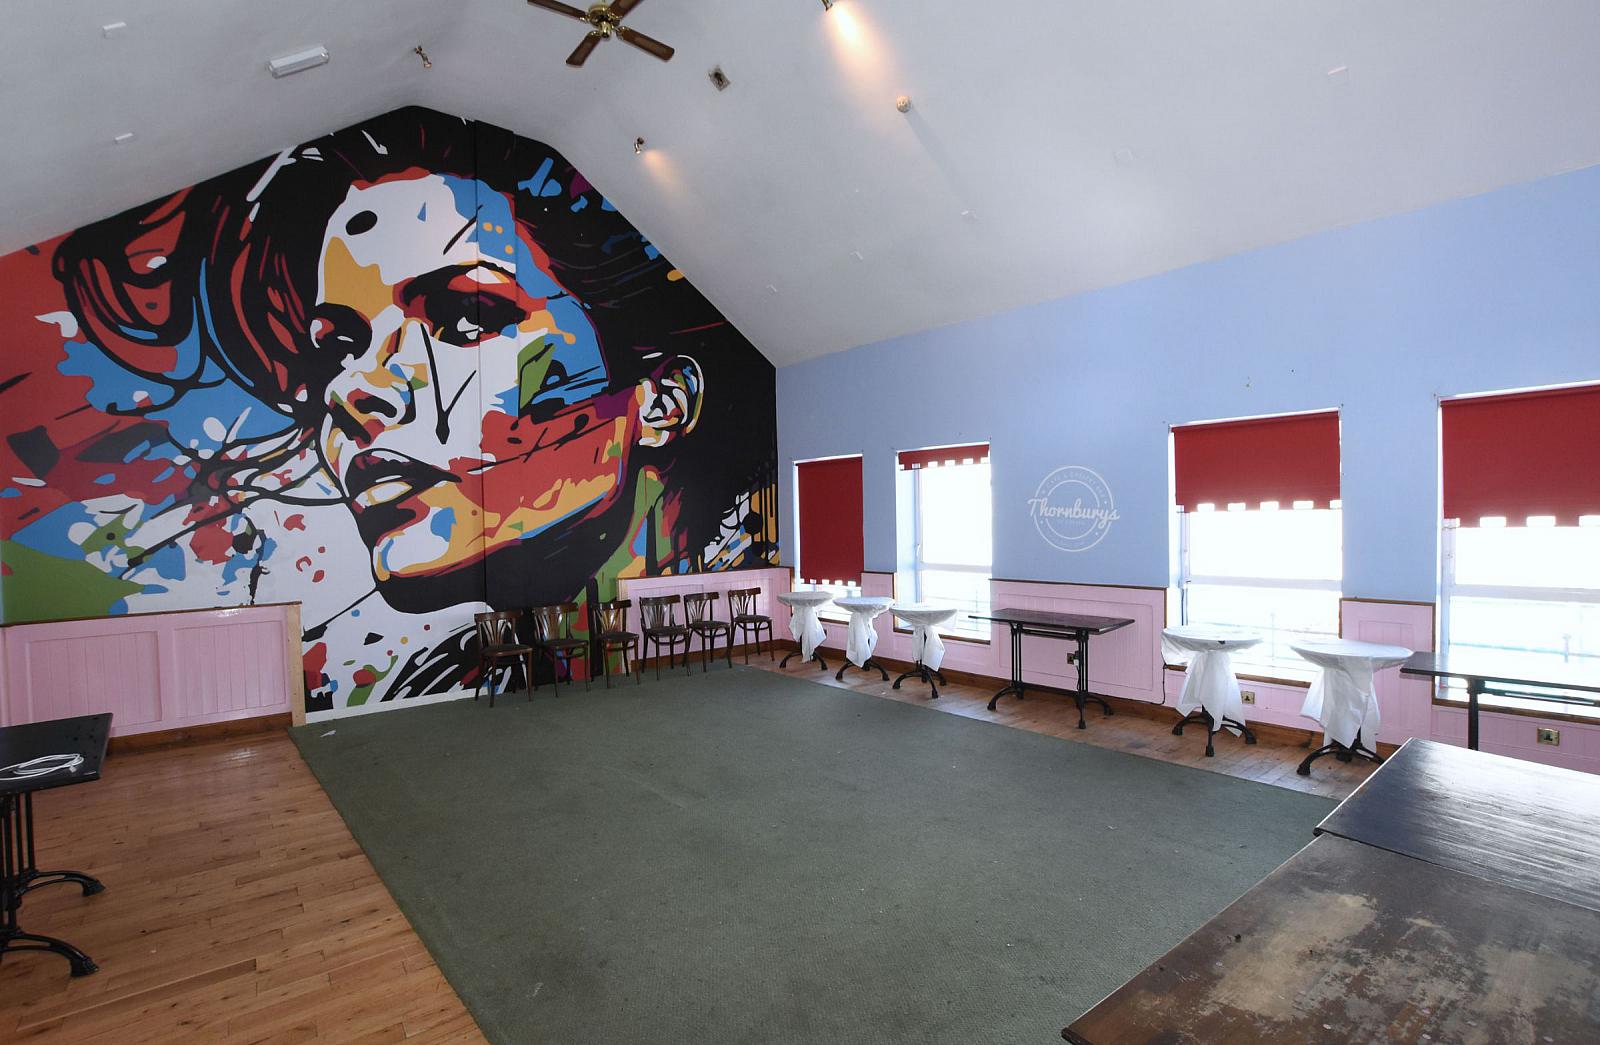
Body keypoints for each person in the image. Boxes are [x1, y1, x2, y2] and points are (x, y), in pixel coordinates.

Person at [46, 108, 777, 705]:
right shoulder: (432, 678)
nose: (349, 391)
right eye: (337, 349)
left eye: (466, 318)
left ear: (662, 401)